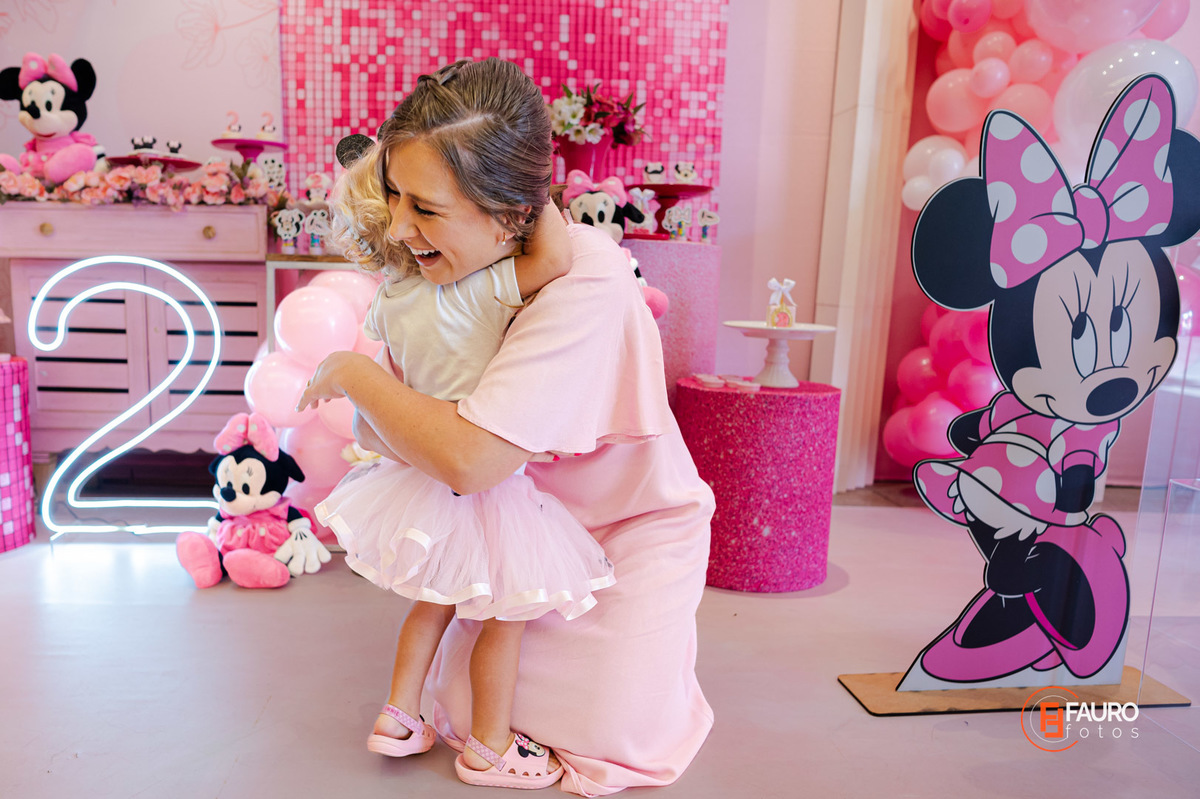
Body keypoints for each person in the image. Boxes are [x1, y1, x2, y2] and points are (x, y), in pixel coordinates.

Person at [298, 58, 715, 796]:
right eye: (392, 194)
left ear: (514, 214)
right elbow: (391, 435)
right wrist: (400, 411)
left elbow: (465, 458)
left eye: (427, 209)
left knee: (611, 740)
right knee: (471, 697)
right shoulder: (427, 280)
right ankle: (450, 722)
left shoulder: (581, 276)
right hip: (503, 517)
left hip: (617, 533)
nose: (399, 226)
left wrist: (357, 375)